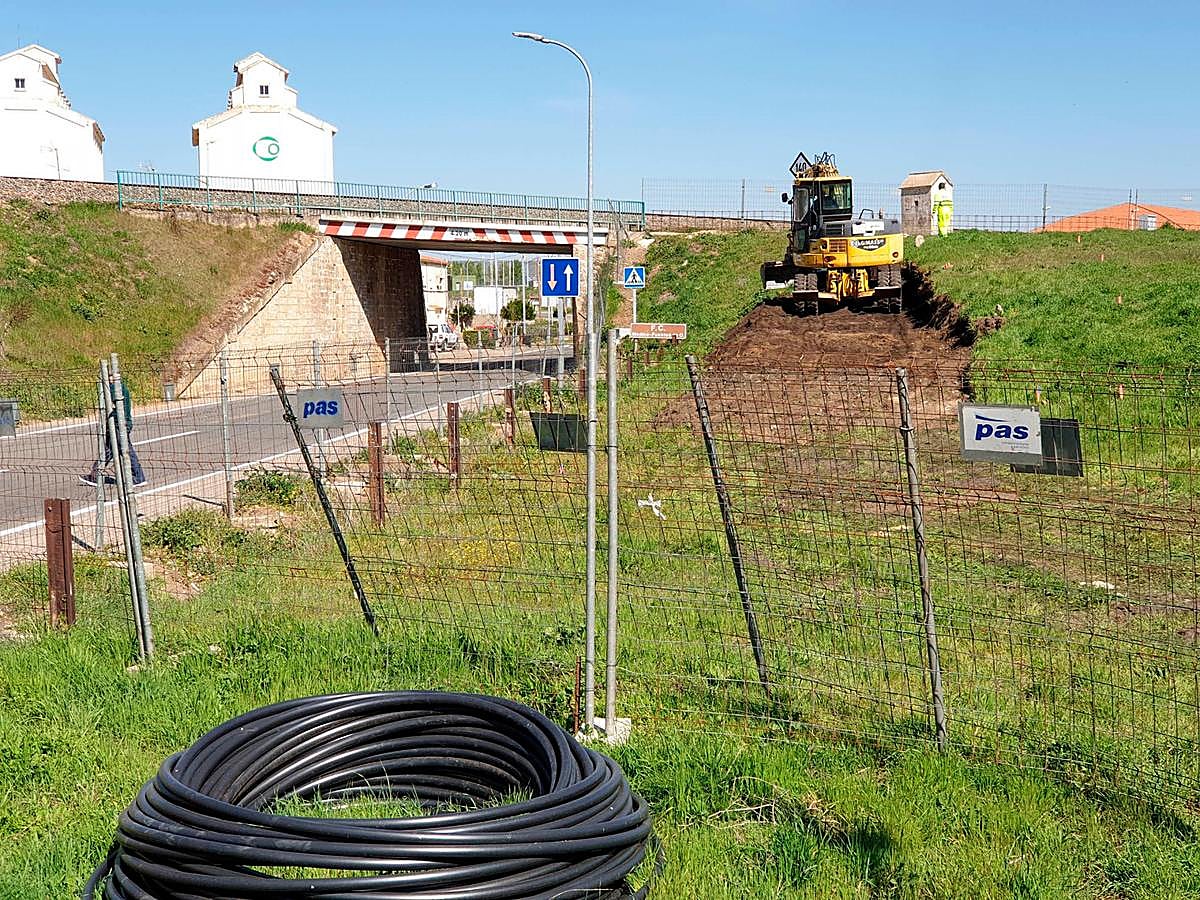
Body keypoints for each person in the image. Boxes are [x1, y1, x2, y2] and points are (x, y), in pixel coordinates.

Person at [81, 380, 146, 486]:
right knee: (110, 450)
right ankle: (95, 475)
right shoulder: (120, 387)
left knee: (125, 451)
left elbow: (113, 406)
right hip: (118, 424)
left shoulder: (113, 388)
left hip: (118, 425)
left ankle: (138, 477)